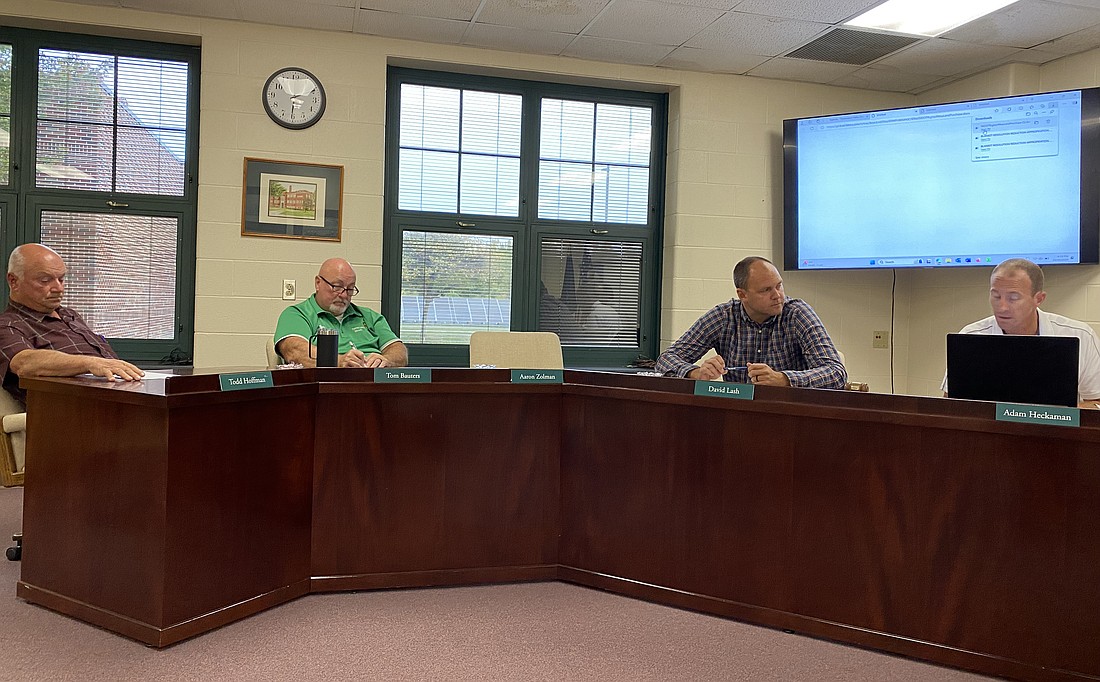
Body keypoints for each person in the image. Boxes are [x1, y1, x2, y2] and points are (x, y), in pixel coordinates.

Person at [656, 256, 846, 388]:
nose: (777, 295)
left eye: (779, 286)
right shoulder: (724, 317)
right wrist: (695, 373)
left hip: (789, 415)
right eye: (766, 290)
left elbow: (836, 373)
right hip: (737, 414)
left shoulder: (797, 314)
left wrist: (783, 379)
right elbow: (666, 360)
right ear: (742, 295)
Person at [942, 258, 1100, 406]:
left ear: (1038, 299)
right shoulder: (969, 338)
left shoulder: (1080, 335)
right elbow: (948, 405)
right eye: (996, 296)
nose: (1002, 307)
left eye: (1013, 298)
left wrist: (1055, 417)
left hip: (1055, 433)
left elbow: (1096, 402)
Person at [0, 243, 143, 405]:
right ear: (14, 281)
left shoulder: (69, 315)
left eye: (61, 279)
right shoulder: (8, 325)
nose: (58, 288)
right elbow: (24, 362)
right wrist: (91, 363)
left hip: (122, 399)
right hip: (74, 412)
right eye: (45, 280)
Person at [275, 258, 408, 368]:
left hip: (374, 387)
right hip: (327, 389)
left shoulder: (370, 317)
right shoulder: (297, 314)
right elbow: (295, 352)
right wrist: (339, 362)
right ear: (318, 283)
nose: (344, 295)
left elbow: (399, 352)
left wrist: (386, 360)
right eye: (337, 287)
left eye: (350, 289)